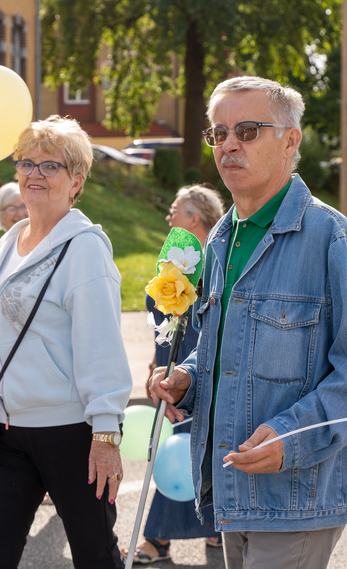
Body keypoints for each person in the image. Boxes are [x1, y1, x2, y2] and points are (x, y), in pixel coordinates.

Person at [147, 76, 347, 569]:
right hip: (230, 486)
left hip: (296, 496)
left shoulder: (333, 239)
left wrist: (293, 438)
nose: (229, 145)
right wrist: (190, 379)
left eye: (247, 130)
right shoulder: (220, 239)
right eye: (218, 133)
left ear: (290, 141)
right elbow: (229, 348)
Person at [0, 115, 132, 568]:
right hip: (7, 430)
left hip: (71, 435)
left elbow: (102, 346)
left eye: (50, 166)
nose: (34, 174)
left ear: (76, 181)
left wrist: (105, 433)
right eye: (26, 163)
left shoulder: (84, 248)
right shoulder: (8, 242)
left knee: (95, 556)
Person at [123, 184, 225, 564]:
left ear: (194, 218)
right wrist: (156, 364)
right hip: (174, 366)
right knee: (190, 451)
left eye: (175, 211)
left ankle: (157, 539)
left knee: (182, 452)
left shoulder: (218, 258)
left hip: (201, 372)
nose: (169, 217)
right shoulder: (177, 260)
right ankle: (213, 531)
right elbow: (163, 322)